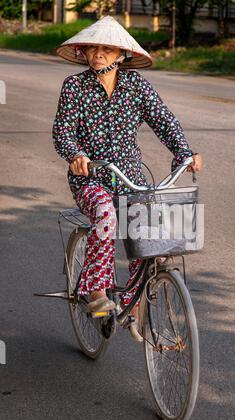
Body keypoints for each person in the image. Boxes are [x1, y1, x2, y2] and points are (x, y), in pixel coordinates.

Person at [52, 15, 202, 341]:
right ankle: (95, 293)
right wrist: (77, 156)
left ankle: (134, 306)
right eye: (93, 48)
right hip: (92, 180)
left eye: (107, 49)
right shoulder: (74, 87)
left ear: (121, 54)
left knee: (148, 239)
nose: (98, 54)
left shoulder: (136, 86)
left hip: (131, 178)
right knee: (106, 215)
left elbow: (164, 120)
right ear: (84, 51)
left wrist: (184, 152)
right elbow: (62, 132)